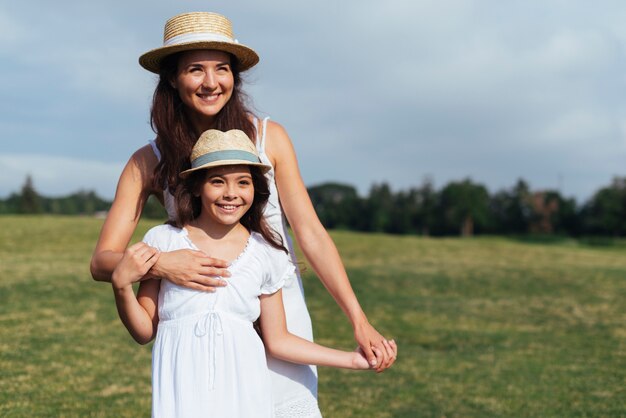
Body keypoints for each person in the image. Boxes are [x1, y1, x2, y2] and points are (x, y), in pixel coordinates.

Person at [91, 11, 396, 417]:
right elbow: (103, 261)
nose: (211, 82)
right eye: (195, 69)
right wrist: (164, 264)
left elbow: (310, 233)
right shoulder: (148, 161)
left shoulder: (270, 139)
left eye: (222, 68)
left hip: (277, 311)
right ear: (171, 78)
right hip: (201, 331)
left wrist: (359, 320)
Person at [112, 129, 396, 418]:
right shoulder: (163, 241)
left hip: (246, 396)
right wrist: (121, 286)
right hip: (182, 393)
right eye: (217, 181)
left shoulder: (265, 253)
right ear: (197, 186)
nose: (231, 193)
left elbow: (279, 340)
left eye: (243, 182)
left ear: (256, 189)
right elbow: (144, 331)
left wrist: (353, 360)